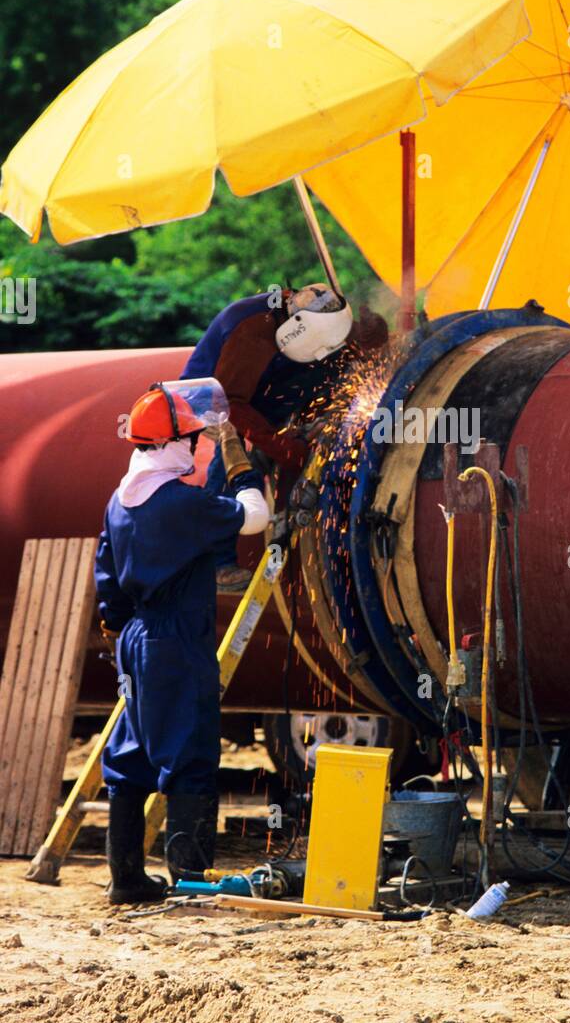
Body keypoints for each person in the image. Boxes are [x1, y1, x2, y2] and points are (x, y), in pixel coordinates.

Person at [95, 379, 269, 904]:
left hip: (136, 639)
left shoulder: (120, 501)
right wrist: (239, 461)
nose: (197, 448)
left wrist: (119, 631)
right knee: (189, 755)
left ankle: (125, 880)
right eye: (193, 440)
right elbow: (254, 517)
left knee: (130, 757)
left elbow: (107, 577)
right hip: (175, 641)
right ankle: (190, 884)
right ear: (172, 443)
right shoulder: (180, 504)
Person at [181, 284, 388, 590]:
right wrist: (285, 448)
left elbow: (349, 339)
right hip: (215, 396)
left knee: (330, 368)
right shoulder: (250, 333)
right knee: (232, 458)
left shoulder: (320, 312)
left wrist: (375, 333)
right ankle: (217, 562)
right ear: (293, 329)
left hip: (270, 377)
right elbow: (234, 406)